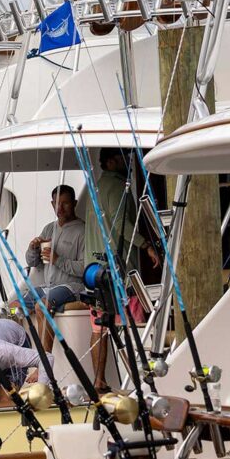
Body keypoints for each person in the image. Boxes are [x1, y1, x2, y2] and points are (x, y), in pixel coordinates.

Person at [84, 147, 160, 390]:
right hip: (118, 273)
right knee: (134, 325)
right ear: (112, 161)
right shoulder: (118, 187)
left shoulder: (95, 188)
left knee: (99, 329)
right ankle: (138, 384)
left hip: (94, 272)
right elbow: (121, 225)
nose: (128, 161)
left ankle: (98, 380)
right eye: (124, 158)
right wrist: (145, 244)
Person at [24, 184, 86, 351]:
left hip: (72, 287)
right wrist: (33, 249)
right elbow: (33, 263)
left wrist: (57, 259)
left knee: (41, 306)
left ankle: (45, 364)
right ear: (52, 204)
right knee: (16, 306)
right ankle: (22, 359)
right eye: (56, 203)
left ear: (74, 203)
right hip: (48, 287)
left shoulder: (83, 230)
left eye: (65, 203)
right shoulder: (49, 228)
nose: (60, 208)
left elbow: (84, 268)